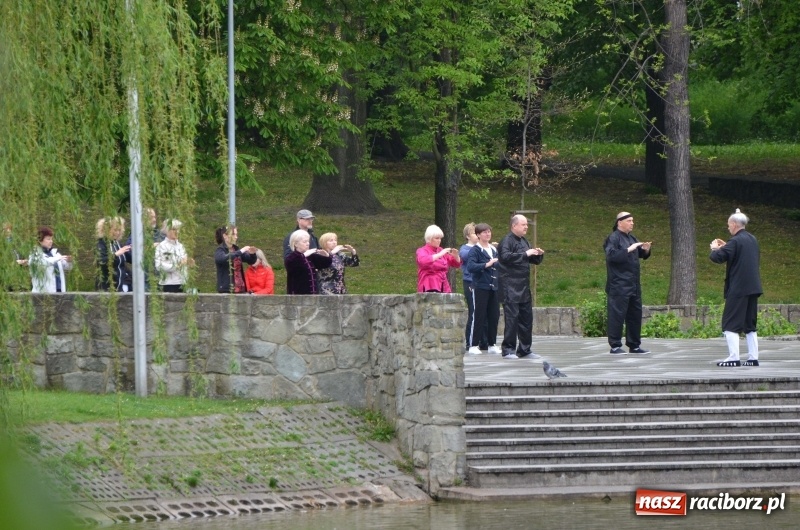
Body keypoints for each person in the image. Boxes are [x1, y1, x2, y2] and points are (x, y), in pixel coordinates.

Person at [710, 208, 762, 367]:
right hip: (753, 287)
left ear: (734, 224)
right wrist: (727, 246)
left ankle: (734, 357)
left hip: (739, 288)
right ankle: (753, 357)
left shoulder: (736, 241)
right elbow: (740, 254)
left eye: (728, 225)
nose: (728, 228)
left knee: (730, 323)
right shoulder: (752, 239)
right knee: (749, 324)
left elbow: (718, 257)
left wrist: (714, 248)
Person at [604, 211, 652, 355]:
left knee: (635, 315)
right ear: (620, 222)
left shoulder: (632, 237)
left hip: (634, 285)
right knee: (616, 315)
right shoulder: (613, 238)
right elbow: (612, 256)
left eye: (632, 220)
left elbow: (640, 255)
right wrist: (629, 249)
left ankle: (634, 345)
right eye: (629, 220)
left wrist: (646, 250)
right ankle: (615, 345)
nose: (632, 223)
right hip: (618, 284)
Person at [497, 214, 544, 359]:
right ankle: (508, 349)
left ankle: (525, 349)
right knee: (512, 319)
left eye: (527, 225)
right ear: (514, 226)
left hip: (523, 286)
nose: (526, 227)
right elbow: (505, 257)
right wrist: (525, 254)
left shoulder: (524, 241)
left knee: (526, 319)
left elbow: (531, 259)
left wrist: (538, 254)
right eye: (523, 224)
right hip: (509, 286)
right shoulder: (506, 241)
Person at [465, 223, 501, 355]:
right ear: (478, 235)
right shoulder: (475, 250)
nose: (488, 234)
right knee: (478, 315)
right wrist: (487, 264)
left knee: (494, 315)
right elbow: (471, 267)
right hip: (480, 286)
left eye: (489, 232)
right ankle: (473, 344)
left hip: (493, 287)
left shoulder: (493, 249)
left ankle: (492, 344)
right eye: (485, 232)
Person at [460, 223, 487, 351]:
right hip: (470, 282)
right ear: (467, 236)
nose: (477, 235)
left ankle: (484, 341)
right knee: (474, 312)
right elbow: (465, 257)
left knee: (484, 313)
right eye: (473, 233)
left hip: (483, 283)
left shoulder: (483, 247)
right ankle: (470, 342)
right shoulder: (465, 249)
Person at [285, 229, 332, 294]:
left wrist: (326, 256)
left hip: (313, 294)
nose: (308, 244)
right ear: (296, 244)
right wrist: (303, 256)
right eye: (304, 242)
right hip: (298, 294)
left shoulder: (310, 256)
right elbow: (293, 265)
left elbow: (325, 264)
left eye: (308, 241)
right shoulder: (291, 258)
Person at [416, 225, 460, 293]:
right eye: (437, 238)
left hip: (443, 285)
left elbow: (456, 264)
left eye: (440, 238)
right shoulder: (422, 250)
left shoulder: (441, 250)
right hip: (429, 285)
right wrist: (439, 254)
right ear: (429, 238)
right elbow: (423, 261)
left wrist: (456, 256)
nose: (439, 240)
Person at [29, 226, 73, 293]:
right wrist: (57, 258)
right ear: (40, 240)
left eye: (51, 239)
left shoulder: (55, 253)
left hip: (59, 292)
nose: (51, 241)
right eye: (48, 239)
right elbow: (44, 263)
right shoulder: (34, 254)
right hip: (43, 294)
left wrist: (69, 261)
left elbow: (67, 267)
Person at [214, 226, 257, 293]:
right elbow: (224, 259)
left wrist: (252, 254)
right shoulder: (220, 250)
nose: (236, 237)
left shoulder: (236, 249)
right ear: (225, 236)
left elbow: (251, 261)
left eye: (236, 234)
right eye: (233, 234)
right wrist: (241, 251)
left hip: (241, 289)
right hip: (227, 290)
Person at [154, 219, 193, 293]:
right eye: (174, 229)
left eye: (178, 229)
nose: (177, 232)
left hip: (182, 283)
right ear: (167, 230)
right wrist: (177, 266)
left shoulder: (181, 246)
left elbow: (184, 263)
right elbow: (159, 266)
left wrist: (188, 263)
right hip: (169, 284)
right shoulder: (161, 246)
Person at [95, 217, 133, 292]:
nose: (118, 233)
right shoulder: (101, 244)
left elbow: (130, 259)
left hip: (120, 286)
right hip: (106, 287)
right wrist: (116, 255)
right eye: (115, 230)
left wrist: (135, 251)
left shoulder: (117, 243)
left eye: (119, 230)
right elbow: (102, 262)